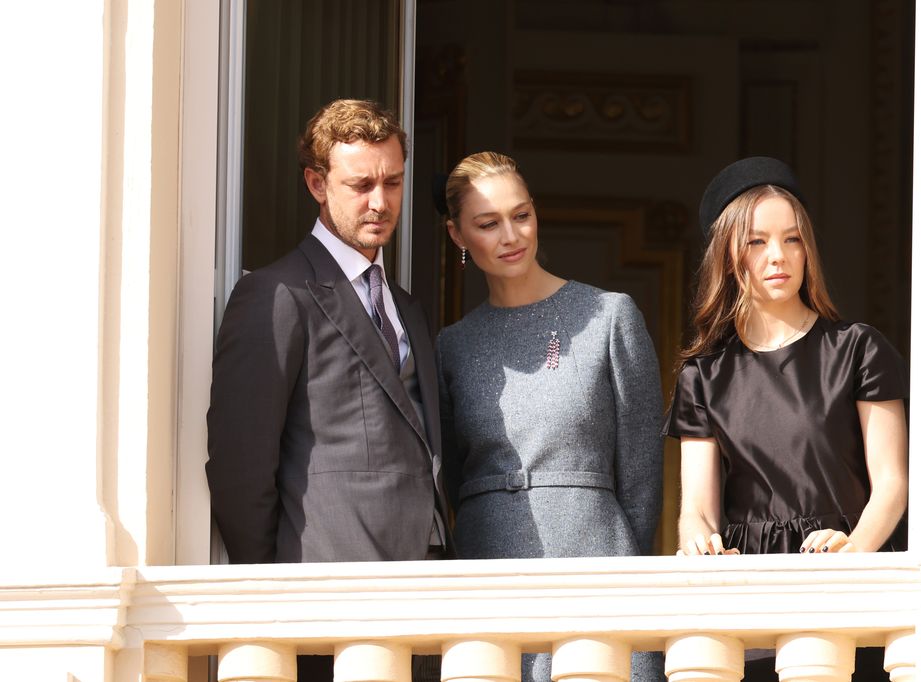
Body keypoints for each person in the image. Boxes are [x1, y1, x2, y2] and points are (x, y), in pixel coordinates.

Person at [206, 99, 449, 680]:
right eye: (360, 183)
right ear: (317, 183)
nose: (380, 201)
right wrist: (271, 592)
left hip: (426, 595)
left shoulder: (408, 307)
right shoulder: (275, 294)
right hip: (323, 599)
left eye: (392, 182)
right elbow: (241, 467)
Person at [665, 156, 909, 681]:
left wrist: (855, 553)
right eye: (757, 242)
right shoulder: (702, 376)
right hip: (750, 598)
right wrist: (698, 541)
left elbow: (892, 483)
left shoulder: (858, 350)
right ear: (729, 253)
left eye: (793, 239)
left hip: (849, 583)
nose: (778, 256)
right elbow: (697, 511)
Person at [435, 151, 665, 682]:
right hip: (485, 567)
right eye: (488, 224)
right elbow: (450, 474)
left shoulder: (608, 316)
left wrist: (621, 573)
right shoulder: (453, 346)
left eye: (522, 215)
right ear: (456, 235)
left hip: (595, 562)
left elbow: (641, 475)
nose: (511, 235)